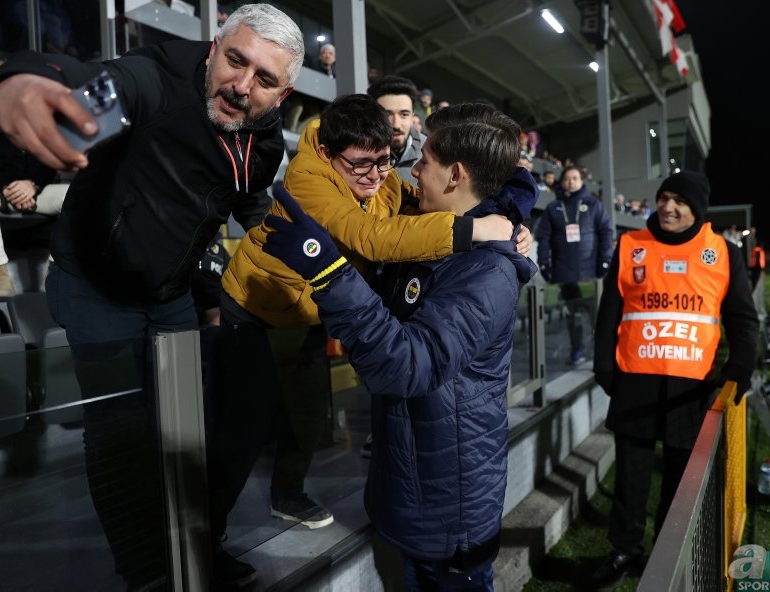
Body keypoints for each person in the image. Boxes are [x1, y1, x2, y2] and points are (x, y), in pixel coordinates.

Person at [0, 3, 304, 589]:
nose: (241, 86)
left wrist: (299, 261)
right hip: (94, 285)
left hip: (170, 294)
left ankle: (194, 552)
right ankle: (148, 574)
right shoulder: (158, 78)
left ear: (282, 95)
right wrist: (21, 79)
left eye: (264, 79)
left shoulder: (262, 142)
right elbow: (95, 82)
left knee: (183, 431)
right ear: (213, 49)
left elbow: (243, 202)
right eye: (235, 60)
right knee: (120, 432)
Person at [217, 95, 537, 531]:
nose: (377, 174)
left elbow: (418, 201)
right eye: (362, 165)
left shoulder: (378, 173)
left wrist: (508, 214)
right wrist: (473, 228)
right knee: (244, 428)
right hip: (253, 311)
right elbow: (370, 237)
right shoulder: (308, 177)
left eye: (386, 160)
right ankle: (208, 536)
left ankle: (287, 494)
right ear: (327, 154)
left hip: (308, 312)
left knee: (308, 417)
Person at [591, 171, 759, 589]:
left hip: (691, 387)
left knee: (680, 483)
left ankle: (668, 557)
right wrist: (604, 367)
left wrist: (739, 367)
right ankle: (624, 550)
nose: (668, 207)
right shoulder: (630, 245)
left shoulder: (722, 252)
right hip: (635, 382)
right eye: (664, 197)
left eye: (679, 201)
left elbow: (742, 319)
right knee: (630, 478)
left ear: (697, 209)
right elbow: (609, 313)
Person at [0, 57, 68, 297]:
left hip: (31, 190)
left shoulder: (31, 110)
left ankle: (54, 274)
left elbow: (48, 157)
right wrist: (6, 187)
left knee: (76, 193)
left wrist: (32, 184)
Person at [536, 164, 613, 365]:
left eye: (575, 178)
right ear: (562, 182)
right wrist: (543, 263)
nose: (571, 182)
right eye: (567, 178)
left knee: (597, 316)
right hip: (564, 274)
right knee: (572, 316)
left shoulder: (594, 205)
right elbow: (543, 238)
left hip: (591, 274)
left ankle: (602, 354)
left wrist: (605, 260)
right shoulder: (553, 208)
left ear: (581, 181)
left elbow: (606, 232)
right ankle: (576, 351)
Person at [366, 74, 424, 184]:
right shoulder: (354, 153)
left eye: (404, 114)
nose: (396, 125)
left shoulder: (431, 154)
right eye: (387, 115)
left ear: (412, 116)